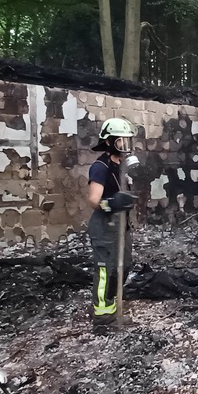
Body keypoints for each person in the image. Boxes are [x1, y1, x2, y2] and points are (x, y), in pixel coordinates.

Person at [86, 117, 137, 325]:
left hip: (120, 226)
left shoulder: (122, 165)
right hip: (104, 226)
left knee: (123, 265)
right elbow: (93, 200)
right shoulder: (100, 166)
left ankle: (112, 303)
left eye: (127, 141)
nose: (124, 146)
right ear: (108, 142)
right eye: (120, 141)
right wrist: (112, 203)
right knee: (105, 269)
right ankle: (103, 315)